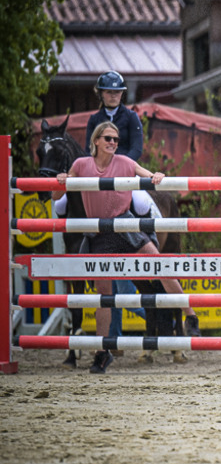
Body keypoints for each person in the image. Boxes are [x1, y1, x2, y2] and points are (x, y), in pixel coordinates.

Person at [55, 122, 201, 374]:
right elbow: (59, 197)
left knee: (160, 265)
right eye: (108, 139)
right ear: (96, 141)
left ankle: (190, 316)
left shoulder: (125, 161)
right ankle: (103, 353)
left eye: (115, 139)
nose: (112, 142)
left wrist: (157, 177)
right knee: (104, 296)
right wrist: (61, 181)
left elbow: (149, 174)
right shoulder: (81, 165)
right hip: (98, 232)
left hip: (125, 224)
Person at [85, 70, 149, 341]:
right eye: (109, 91)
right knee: (64, 203)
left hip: (125, 172)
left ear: (122, 93)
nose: (113, 95)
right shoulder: (94, 119)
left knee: (144, 203)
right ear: (100, 93)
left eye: (117, 91)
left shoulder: (131, 117)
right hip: (99, 174)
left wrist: (121, 168)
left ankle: (150, 236)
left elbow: (137, 148)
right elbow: (87, 148)